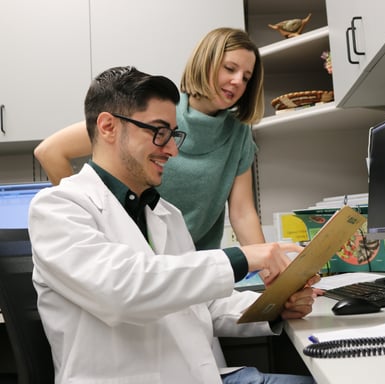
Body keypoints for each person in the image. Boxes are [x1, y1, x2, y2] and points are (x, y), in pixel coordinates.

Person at [28, 66, 317, 384]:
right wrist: (244, 257)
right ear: (109, 127)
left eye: (173, 134)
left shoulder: (163, 213)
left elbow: (203, 303)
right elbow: (125, 291)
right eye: (159, 132)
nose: (172, 150)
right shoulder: (57, 209)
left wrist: (276, 306)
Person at [34, 27, 266, 251]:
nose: (238, 82)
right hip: (139, 257)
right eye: (230, 68)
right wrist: (97, 214)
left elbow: (242, 212)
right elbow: (50, 151)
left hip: (196, 265)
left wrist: (272, 270)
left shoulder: (239, 132)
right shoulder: (158, 113)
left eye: (246, 77)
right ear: (205, 63)